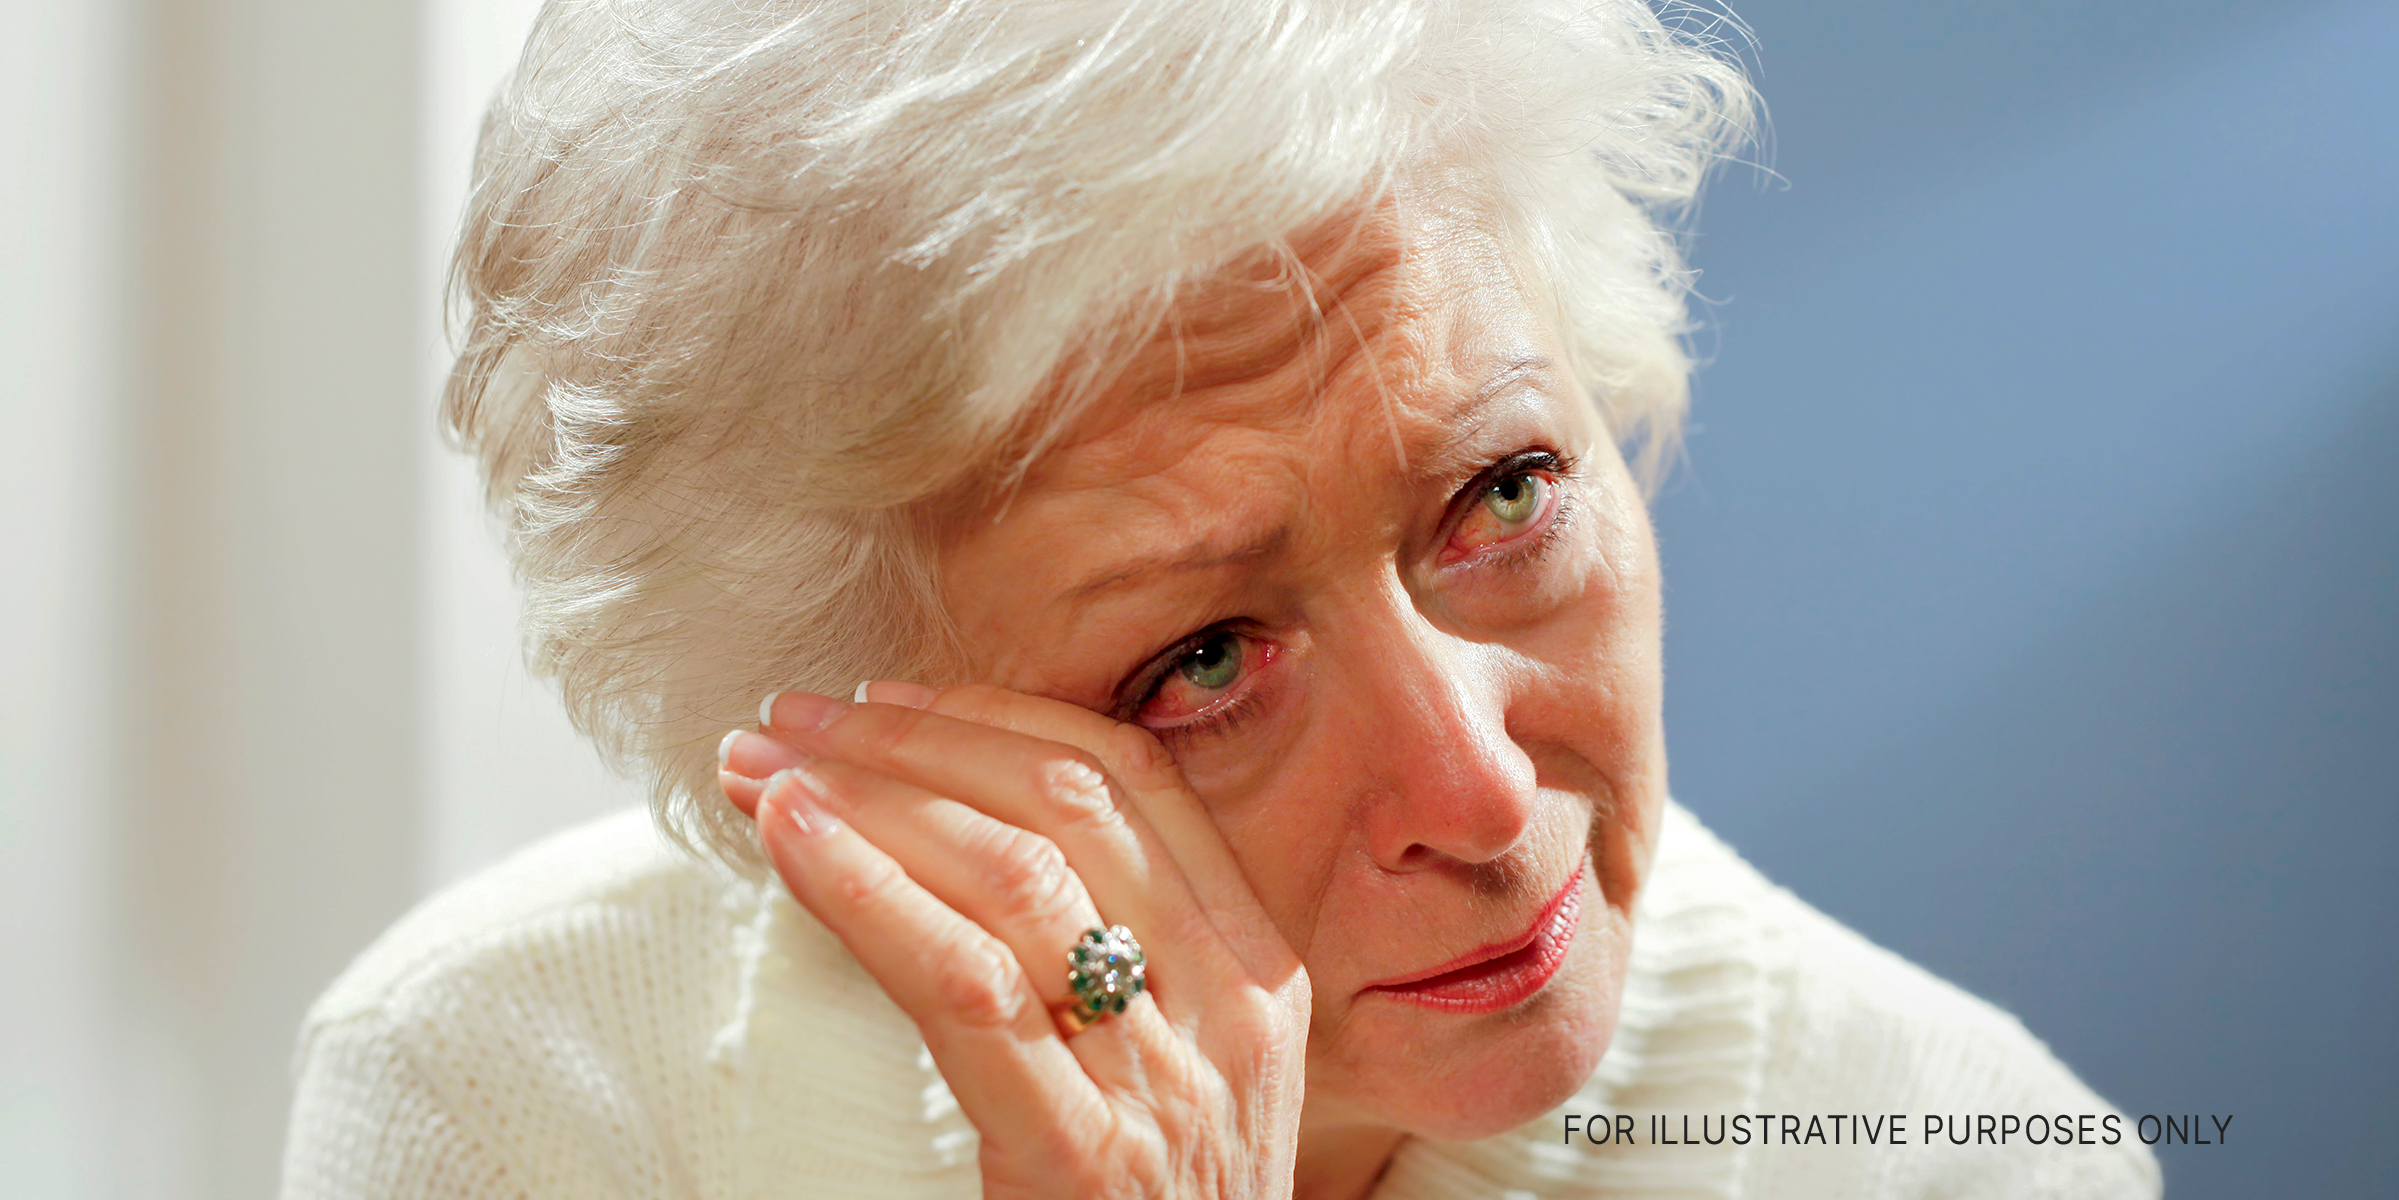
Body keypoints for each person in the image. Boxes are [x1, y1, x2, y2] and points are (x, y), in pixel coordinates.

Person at [281, 1, 2160, 1196]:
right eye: (1200, 661)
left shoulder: (1960, 1153)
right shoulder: (516, 1097)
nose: (1483, 796)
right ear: (866, 771)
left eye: (1500, 492)